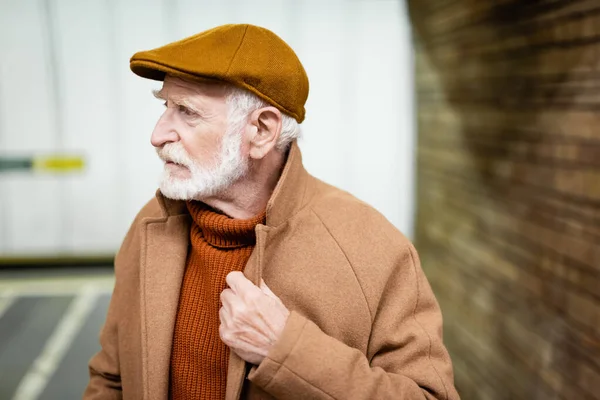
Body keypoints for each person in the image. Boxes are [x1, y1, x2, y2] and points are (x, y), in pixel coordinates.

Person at [84, 23, 459, 400]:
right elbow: (110, 379)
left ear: (261, 131)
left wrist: (286, 350)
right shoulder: (151, 225)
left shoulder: (373, 249)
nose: (158, 134)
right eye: (166, 106)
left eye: (187, 111)